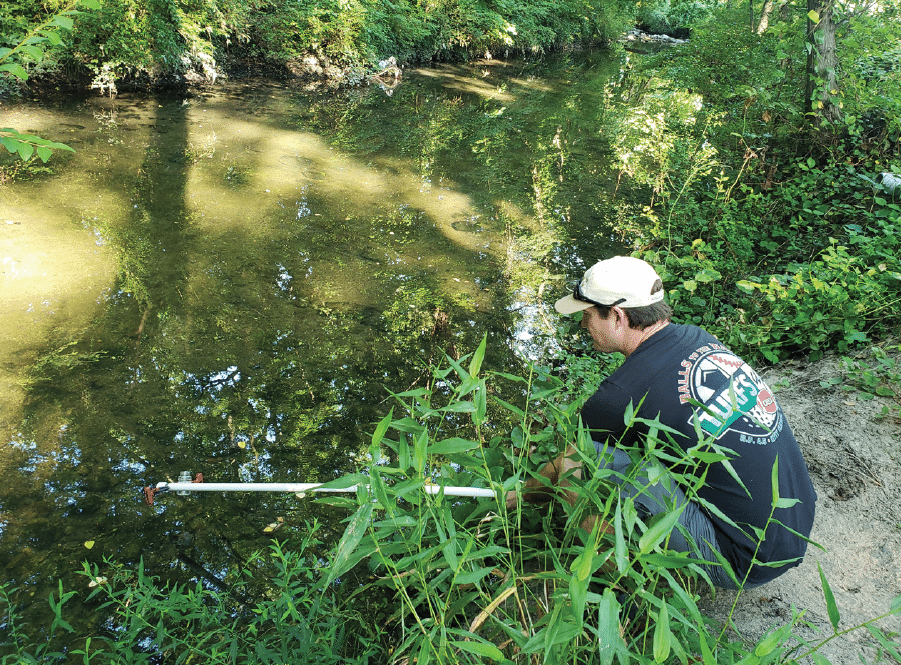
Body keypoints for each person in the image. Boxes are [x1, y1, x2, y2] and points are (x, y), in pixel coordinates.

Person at [507, 256, 817, 589]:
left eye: (586, 316)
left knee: (575, 466)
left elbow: (575, 461)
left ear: (617, 316)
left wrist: (520, 495)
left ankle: (612, 588)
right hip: (796, 524)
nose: (584, 326)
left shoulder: (617, 398)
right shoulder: (699, 339)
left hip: (745, 559)